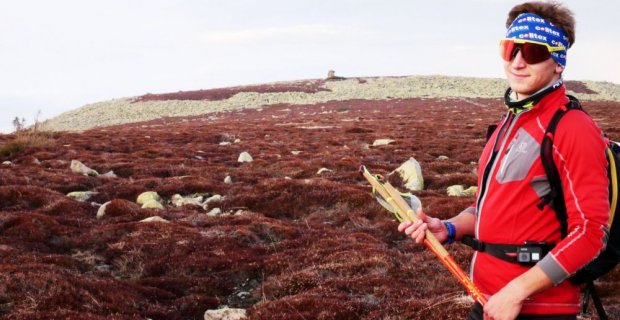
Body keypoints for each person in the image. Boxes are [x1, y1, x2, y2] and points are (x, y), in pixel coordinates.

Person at [398, 2, 610, 320]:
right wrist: (449, 228)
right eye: (511, 49)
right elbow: (489, 205)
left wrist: (515, 293)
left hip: (536, 309)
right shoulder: (508, 123)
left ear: (558, 63)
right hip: (487, 299)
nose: (518, 62)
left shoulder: (573, 128)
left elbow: (591, 232)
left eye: (534, 52)